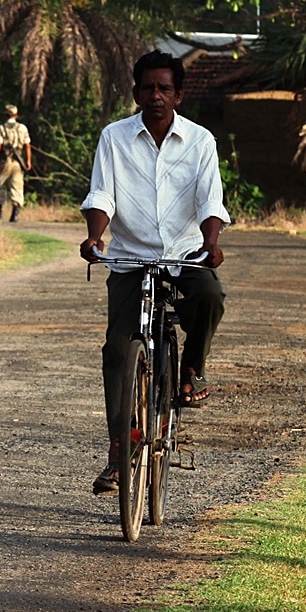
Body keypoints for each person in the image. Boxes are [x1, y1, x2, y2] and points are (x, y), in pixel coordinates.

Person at [79, 50, 229, 496]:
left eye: (165, 88)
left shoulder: (201, 141)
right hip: (129, 257)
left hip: (185, 254)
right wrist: (95, 238)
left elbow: (210, 201)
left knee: (209, 296)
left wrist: (211, 243)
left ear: (178, 94)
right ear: (136, 93)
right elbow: (102, 195)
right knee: (118, 351)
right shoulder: (114, 137)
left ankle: (191, 371)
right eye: (148, 88)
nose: (156, 96)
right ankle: (119, 454)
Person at [0, 104, 32, 222]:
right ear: (16, 115)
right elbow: (27, 146)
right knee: (17, 186)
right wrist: (28, 161)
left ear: (5, 115)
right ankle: (15, 214)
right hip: (18, 162)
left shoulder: (2, 128)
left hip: (5, 161)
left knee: (0, 185)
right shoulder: (23, 128)